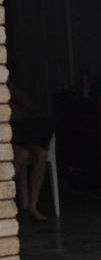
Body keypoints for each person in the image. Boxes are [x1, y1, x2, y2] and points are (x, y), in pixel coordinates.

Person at [11, 86, 51, 221]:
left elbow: (34, 109)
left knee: (42, 155)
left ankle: (33, 207)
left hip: (22, 135)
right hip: (6, 140)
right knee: (21, 154)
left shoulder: (9, 87)